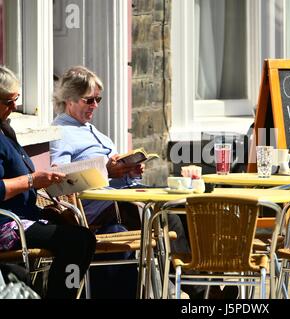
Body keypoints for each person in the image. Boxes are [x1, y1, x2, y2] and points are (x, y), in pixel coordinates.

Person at [50, 66, 230, 299]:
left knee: (186, 209)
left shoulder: (92, 130)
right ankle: (202, 292)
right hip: (99, 208)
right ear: (69, 99)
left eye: (98, 99)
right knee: (167, 216)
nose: (95, 105)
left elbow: (115, 175)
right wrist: (106, 170)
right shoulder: (60, 133)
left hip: (122, 197)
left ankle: (208, 283)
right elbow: (62, 177)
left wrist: (129, 169)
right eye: (89, 100)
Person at [0, 65, 96, 299]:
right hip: (6, 224)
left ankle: (60, 292)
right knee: (76, 241)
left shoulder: (5, 130)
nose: (14, 108)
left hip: (25, 217)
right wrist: (33, 180)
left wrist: (51, 181)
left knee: (83, 237)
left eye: (16, 101)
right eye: (8, 102)